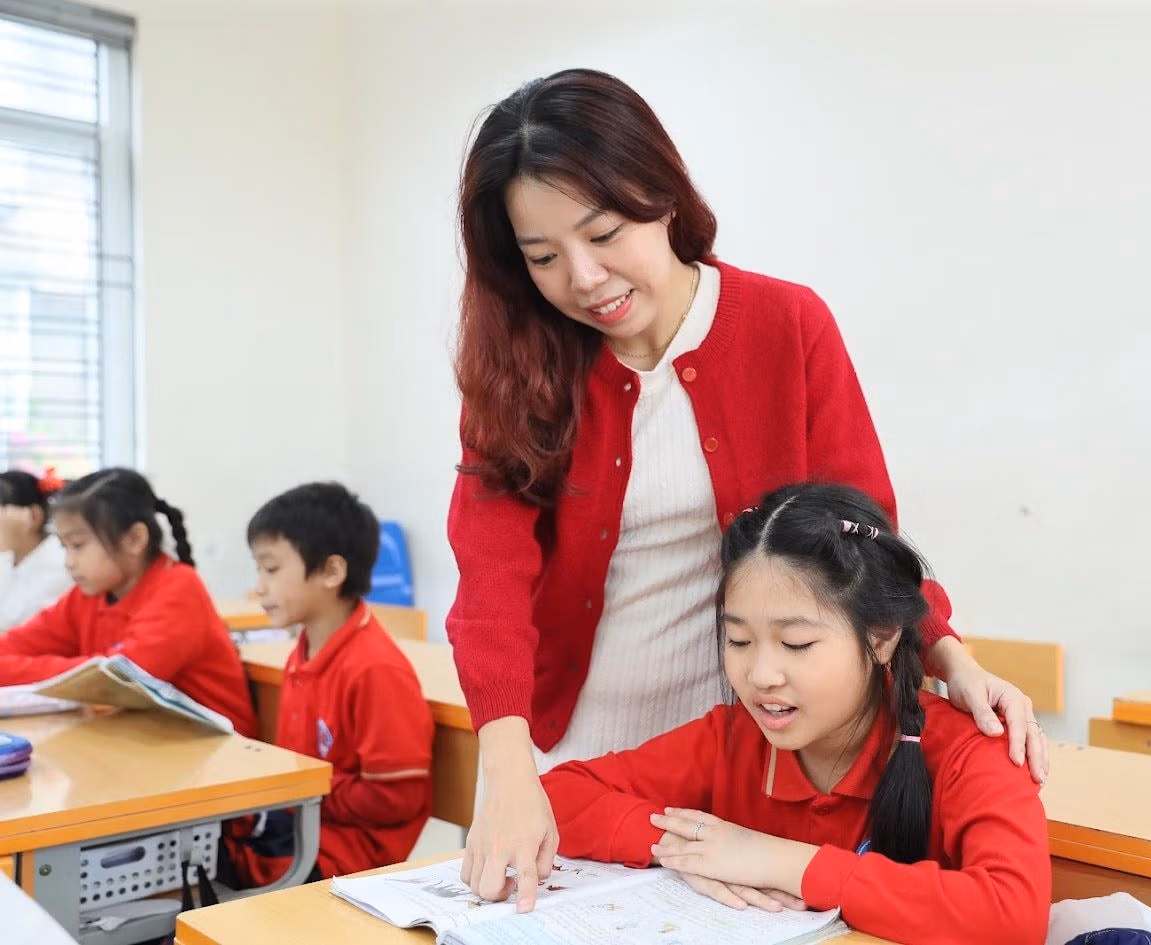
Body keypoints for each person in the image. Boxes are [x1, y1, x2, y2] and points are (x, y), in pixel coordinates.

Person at [447, 67, 1049, 909]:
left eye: (605, 233)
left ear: (661, 197)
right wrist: (507, 763)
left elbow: (863, 532)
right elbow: (491, 580)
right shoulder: (520, 368)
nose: (582, 277)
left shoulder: (786, 325)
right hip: (571, 755)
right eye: (543, 256)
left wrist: (949, 653)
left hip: (740, 752)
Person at [540, 483, 1051, 945]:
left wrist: (777, 861)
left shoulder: (971, 747)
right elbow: (559, 795)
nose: (761, 675)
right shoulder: (732, 739)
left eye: (796, 643)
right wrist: (692, 849)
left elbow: (1013, 917)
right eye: (739, 640)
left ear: (881, 637)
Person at [220, 482, 433, 887]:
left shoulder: (375, 670)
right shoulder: (303, 652)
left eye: (271, 569)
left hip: (342, 856)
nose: (259, 586)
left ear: (331, 572)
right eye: (258, 569)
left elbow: (396, 798)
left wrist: (301, 788)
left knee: (200, 859)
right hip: (305, 822)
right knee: (195, 837)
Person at [0, 468, 257, 735]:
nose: (69, 562)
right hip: (143, 737)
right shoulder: (89, 595)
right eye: (65, 547)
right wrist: (76, 672)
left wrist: (48, 672)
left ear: (134, 539)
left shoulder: (178, 588)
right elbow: (15, 645)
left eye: (78, 545)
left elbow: (118, 680)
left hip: (217, 744)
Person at [0, 469, 71, 631]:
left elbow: (6, 622)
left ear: (33, 516)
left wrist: (2, 550)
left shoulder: (60, 563)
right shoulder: (15, 557)